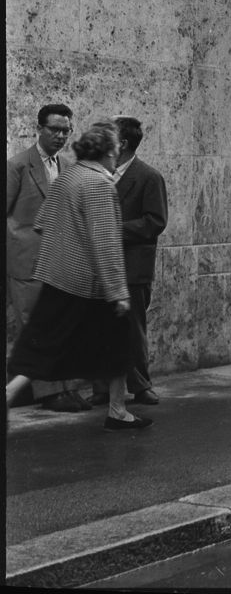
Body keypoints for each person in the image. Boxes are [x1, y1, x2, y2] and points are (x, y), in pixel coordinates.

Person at [6, 122, 152, 431]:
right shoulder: (99, 184)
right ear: (109, 152)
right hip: (88, 284)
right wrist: (118, 291)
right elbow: (106, 241)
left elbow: (41, 222)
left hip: (56, 276)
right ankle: (117, 411)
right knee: (120, 345)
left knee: (42, 345)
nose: (117, 156)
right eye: (115, 151)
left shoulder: (68, 176)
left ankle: (116, 409)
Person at [6, 103, 89, 412]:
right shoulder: (17, 166)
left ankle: (67, 388)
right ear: (37, 129)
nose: (60, 136)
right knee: (34, 328)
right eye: (54, 129)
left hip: (60, 262)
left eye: (66, 130)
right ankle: (49, 393)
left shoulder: (68, 166)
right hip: (26, 263)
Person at [91, 117, 168, 407]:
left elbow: (155, 221)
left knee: (132, 330)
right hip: (101, 264)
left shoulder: (149, 176)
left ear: (122, 143)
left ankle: (141, 385)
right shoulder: (99, 173)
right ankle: (101, 386)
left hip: (132, 267)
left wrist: (113, 227)